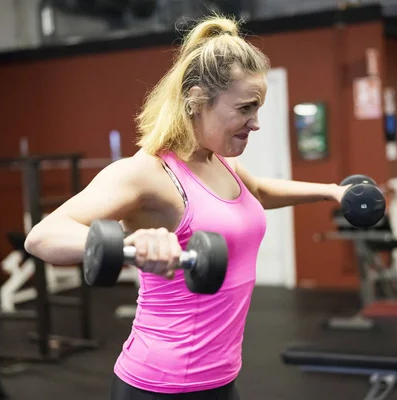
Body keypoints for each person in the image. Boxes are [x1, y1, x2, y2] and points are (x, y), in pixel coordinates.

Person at [24, 14, 348, 400]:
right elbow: (42, 236)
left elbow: (259, 191)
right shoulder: (148, 173)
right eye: (245, 108)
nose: (255, 123)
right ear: (196, 100)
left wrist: (331, 191)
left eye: (257, 109)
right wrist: (133, 245)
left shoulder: (220, 161)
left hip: (220, 379)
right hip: (161, 385)